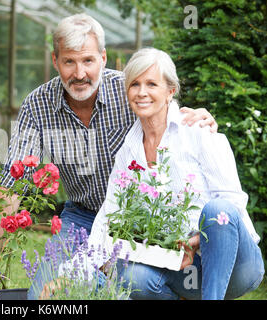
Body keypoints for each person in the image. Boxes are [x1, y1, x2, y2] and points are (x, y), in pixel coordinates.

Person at [0, 13, 217, 296]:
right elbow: (11, 188)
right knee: (45, 293)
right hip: (82, 219)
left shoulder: (129, 91)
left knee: (133, 284)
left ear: (103, 57)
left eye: (88, 60)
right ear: (55, 61)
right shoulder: (37, 106)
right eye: (69, 62)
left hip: (136, 219)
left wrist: (198, 117)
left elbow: (170, 121)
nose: (79, 74)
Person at [56, 47, 264, 300]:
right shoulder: (128, 152)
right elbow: (108, 218)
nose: (142, 92)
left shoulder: (198, 132)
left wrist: (196, 241)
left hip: (235, 267)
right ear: (127, 92)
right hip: (182, 269)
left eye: (152, 84)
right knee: (132, 276)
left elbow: (232, 207)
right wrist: (70, 274)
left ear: (170, 91)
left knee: (218, 209)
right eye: (135, 84)